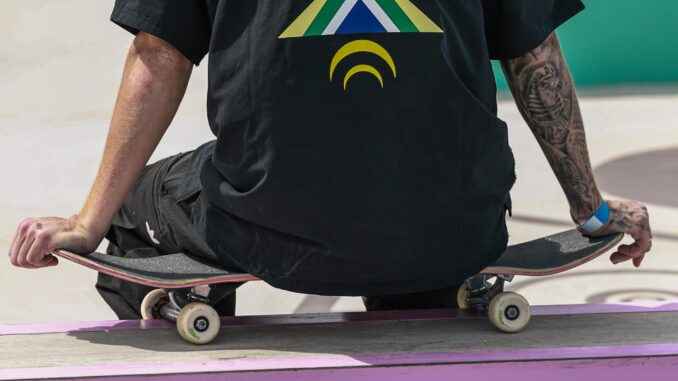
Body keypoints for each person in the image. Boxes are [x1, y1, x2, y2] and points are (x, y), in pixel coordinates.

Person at [8, 0, 652, 318]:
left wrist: (89, 220)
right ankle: (423, 299)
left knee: (134, 202)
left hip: (266, 228)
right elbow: (534, 58)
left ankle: (198, 318)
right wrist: (590, 210)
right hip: (456, 226)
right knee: (407, 211)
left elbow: (159, 55)